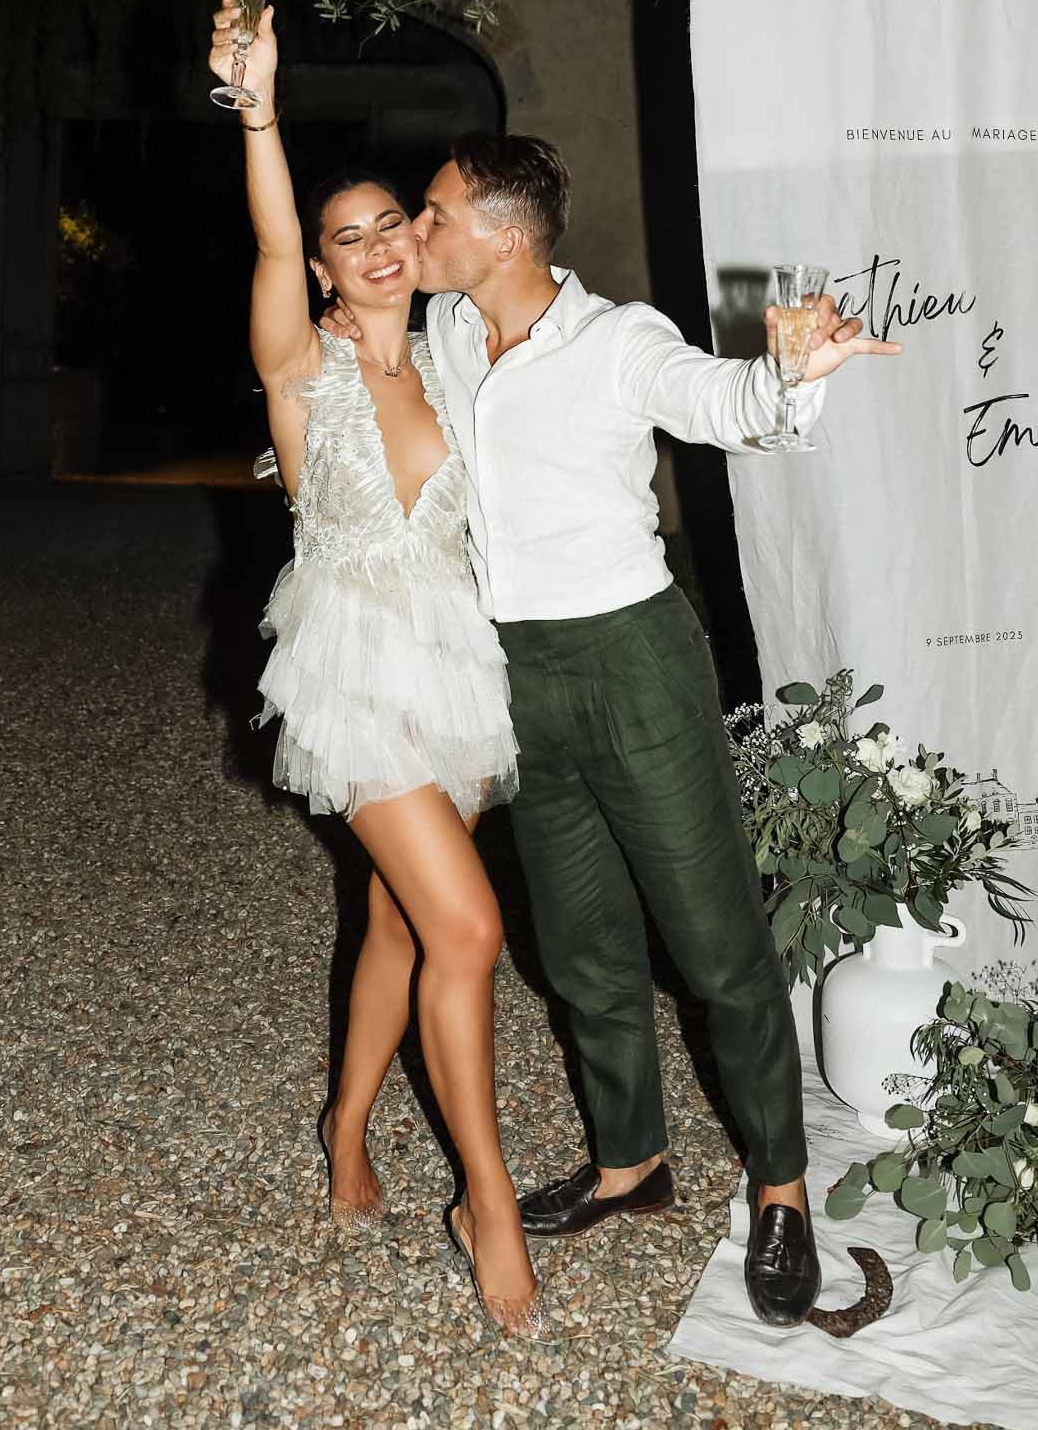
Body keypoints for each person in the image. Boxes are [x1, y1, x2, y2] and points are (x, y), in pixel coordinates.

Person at [331, 131, 902, 1327]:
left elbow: (728, 401)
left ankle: (785, 1190)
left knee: (713, 941)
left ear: (500, 234)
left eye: (432, 215)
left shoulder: (616, 341)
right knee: (581, 945)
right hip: (513, 671)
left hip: (632, 658)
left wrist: (797, 371)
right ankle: (630, 1161)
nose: (415, 235)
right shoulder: (440, 334)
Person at [207, 0, 540, 1338]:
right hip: (350, 667)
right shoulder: (301, 368)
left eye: (390, 225)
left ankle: (345, 1128)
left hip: (452, 669)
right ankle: (490, 1201)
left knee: (404, 923)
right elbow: (271, 231)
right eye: (348, 240)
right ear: (332, 272)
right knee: (467, 927)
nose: (374, 246)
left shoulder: (458, 364)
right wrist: (261, 109)